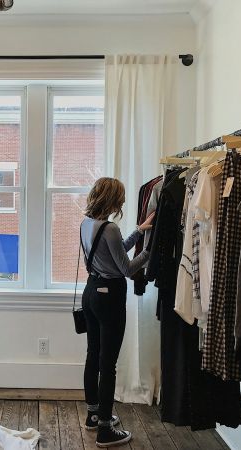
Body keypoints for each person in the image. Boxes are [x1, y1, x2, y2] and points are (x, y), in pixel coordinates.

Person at [80, 177, 154, 447]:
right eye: (120, 197)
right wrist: (149, 250)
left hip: (91, 293)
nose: (123, 201)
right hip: (109, 298)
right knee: (107, 364)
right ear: (112, 199)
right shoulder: (109, 227)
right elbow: (126, 268)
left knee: (93, 355)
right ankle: (104, 430)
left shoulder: (88, 224)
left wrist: (138, 230)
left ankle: (93, 415)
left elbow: (114, 252)